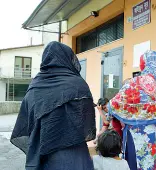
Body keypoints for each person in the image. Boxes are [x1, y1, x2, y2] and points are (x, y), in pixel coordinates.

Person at [10, 41, 96, 170]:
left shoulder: (35, 86)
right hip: (75, 155)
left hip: (42, 155)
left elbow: (27, 122)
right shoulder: (79, 84)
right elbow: (86, 123)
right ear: (67, 59)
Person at [108, 51, 156, 170]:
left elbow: (114, 104)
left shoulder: (136, 82)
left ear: (146, 63)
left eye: (141, 62)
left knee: (137, 164)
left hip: (138, 135)